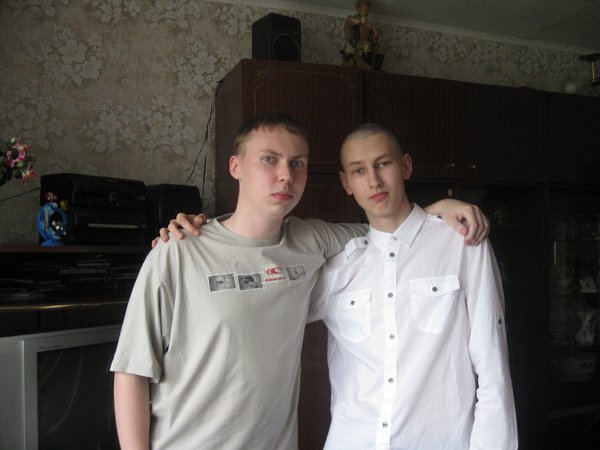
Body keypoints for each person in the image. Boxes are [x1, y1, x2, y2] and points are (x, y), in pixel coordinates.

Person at [117, 112, 488, 449]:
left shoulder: (311, 242)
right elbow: (132, 371)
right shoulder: (178, 252)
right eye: (269, 159)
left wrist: (440, 210)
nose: (286, 175)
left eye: (298, 163)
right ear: (235, 166)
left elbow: (390, 229)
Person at [308, 124, 517, 449]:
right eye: (359, 171)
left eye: (383, 164)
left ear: (405, 166)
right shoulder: (339, 265)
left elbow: (492, 366)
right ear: (346, 183)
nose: (374, 181)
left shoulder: (461, 243)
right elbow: (268, 314)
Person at [342, 0, 384, 70]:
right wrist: (367, 23)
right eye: (364, 9)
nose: (366, 12)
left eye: (367, 11)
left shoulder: (369, 24)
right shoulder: (350, 18)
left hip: (365, 46)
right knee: (365, 44)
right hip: (352, 44)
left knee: (377, 48)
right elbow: (355, 21)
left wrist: (375, 36)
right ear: (358, 8)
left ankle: (371, 66)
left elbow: (373, 40)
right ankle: (359, 62)